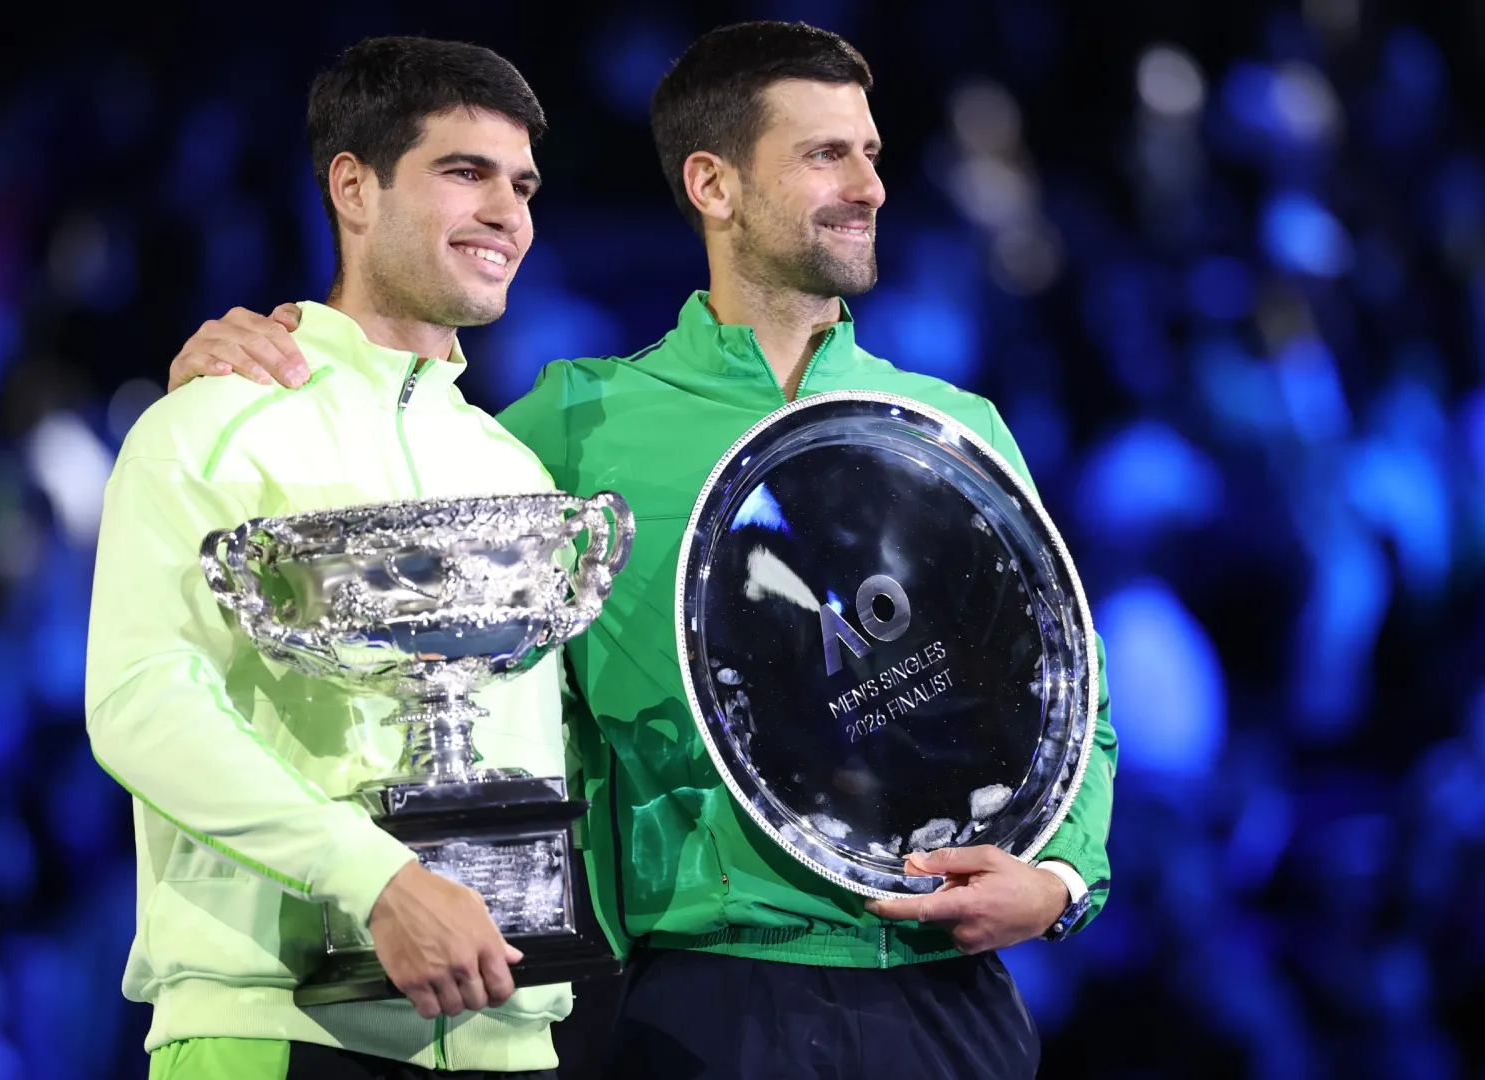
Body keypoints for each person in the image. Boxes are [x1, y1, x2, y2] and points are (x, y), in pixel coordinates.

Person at [168, 22, 1118, 1078]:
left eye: (872, 153)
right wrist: (279, 361)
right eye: (825, 155)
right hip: (707, 999)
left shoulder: (956, 428)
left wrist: (1066, 883)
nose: (871, 185)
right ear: (713, 184)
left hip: (949, 990)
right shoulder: (576, 425)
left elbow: (1068, 690)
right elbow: (400, 484)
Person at [86, 37, 576, 1080]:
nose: (508, 214)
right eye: (465, 173)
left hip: (510, 1038)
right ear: (353, 187)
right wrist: (374, 880)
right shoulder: (213, 423)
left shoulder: (516, 468)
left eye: (522, 184)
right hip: (277, 1028)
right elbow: (138, 698)